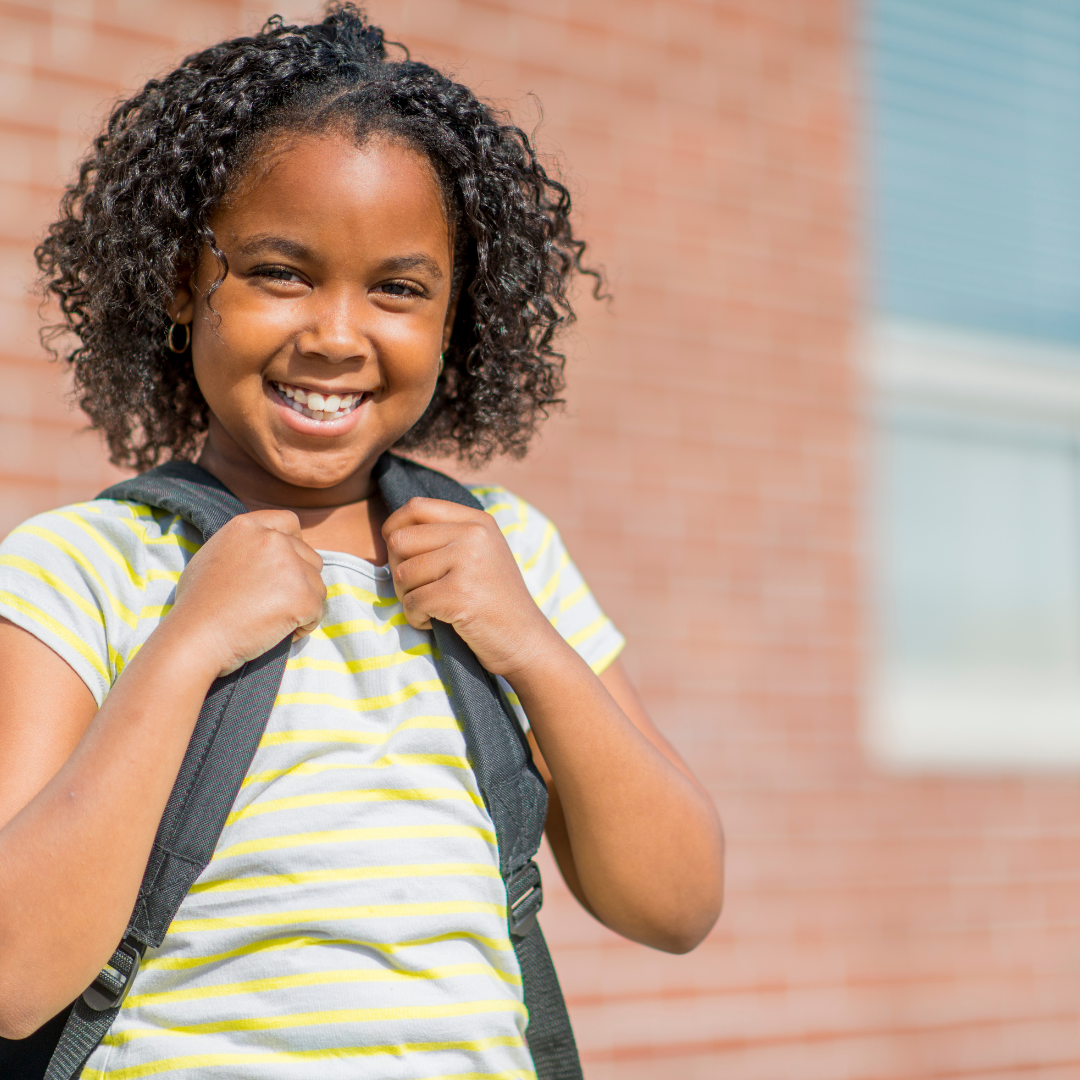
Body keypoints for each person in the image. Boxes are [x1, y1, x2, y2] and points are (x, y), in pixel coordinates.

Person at [0, 5, 724, 1077]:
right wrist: (186, 645)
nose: (337, 335)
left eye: (397, 288)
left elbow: (676, 903)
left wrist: (526, 639)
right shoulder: (83, 568)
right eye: (281, 272)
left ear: (453, 320)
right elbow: (13, 979)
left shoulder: (505, 553)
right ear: (181, 283)